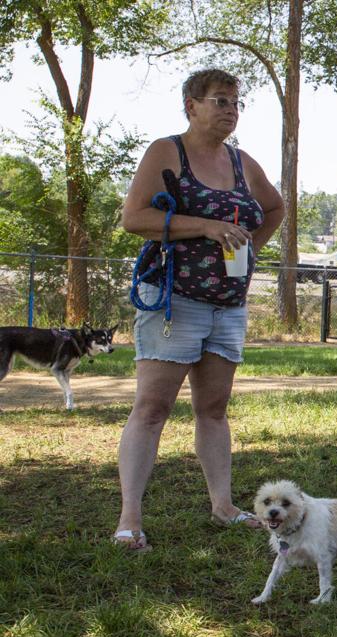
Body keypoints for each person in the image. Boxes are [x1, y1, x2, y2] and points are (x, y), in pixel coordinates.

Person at [113, 68, 284, 551]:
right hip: (175, 302)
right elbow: (135, 217)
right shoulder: (167, 152)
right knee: (152, 409)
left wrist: (250, 249)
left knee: (213, 408)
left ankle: (223, 506)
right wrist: (207, 227)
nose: (230, 110)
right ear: (191, 104)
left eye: (235, 102)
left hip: (228, 306)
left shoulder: (242, 161)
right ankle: (129, 520)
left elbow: (274, 208)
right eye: (220, 100)